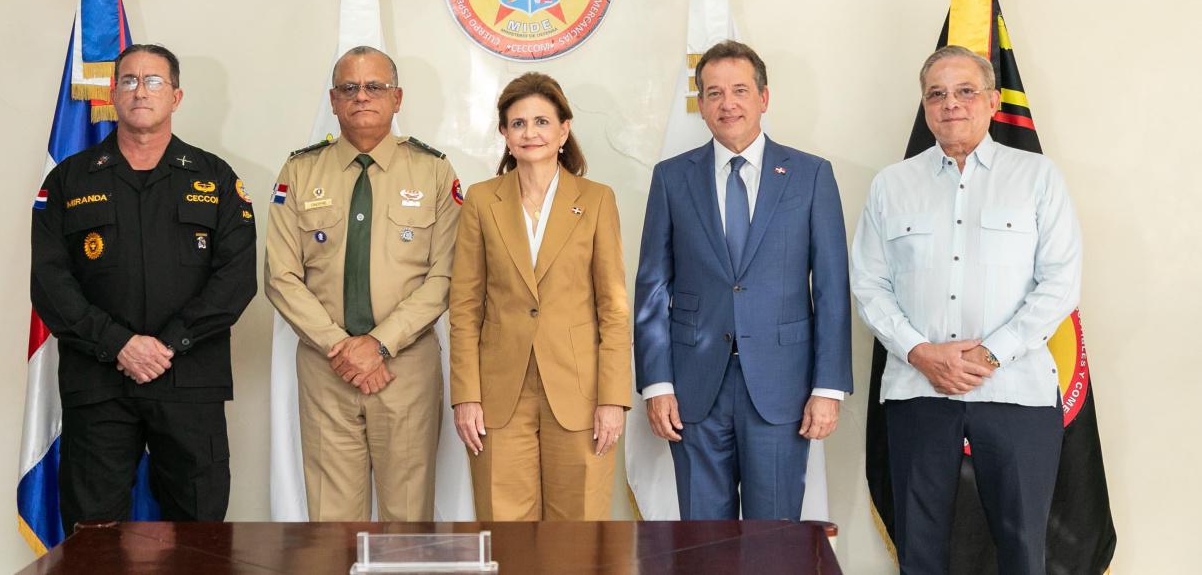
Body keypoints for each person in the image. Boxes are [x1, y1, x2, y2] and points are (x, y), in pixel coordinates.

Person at [851, 45, 1081, 574]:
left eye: (965, 91)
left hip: (1016, 391)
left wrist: (991, 354)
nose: (950, 103)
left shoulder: (1037, 177)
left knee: (1022, 549)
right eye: (937, 94)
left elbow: (1060, 282)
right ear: (925, 106)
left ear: (993, 101)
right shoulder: (892, 184)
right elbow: (868, 284)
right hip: (918, 390)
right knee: (920, 548)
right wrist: (920, 352)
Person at [31, 43, 257, 533]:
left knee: (198, 533)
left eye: (154, 81)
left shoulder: (216, 178)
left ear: (176, 96)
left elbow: (236, 280)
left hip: (189, 380)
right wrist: (119, 344)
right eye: (129, 81)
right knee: (92, 537)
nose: (140, 91)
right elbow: (50, 283)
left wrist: (167, 345)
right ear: (113, 94)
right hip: (99, 382)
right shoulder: (69, 180)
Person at [634, 40, 852, 520]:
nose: (727, 104)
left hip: (782, 387)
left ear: (763, 98)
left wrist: (828, 387)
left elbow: (832, 289)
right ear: (701, 105)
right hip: (693, 389)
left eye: (739, 90)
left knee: (772, 540)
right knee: (703, 540)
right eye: (713, 93)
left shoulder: (810, 175)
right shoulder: (671, 178)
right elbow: (652, 287)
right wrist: (656, 384)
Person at [264, 46, 461, 522]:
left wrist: (379, 344)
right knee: (331, 522)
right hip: (326, 368)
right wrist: (342, 348)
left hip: (405, 367)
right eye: (349, 88)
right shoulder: (300, 170)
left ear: (397, 98)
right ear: (333, 100)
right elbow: (280, 275)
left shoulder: (433, 170)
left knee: (408, 517)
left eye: (375, 87)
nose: (362, 97)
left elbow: (446, 275)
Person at [449, 72, 631, 521]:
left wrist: (613, 398)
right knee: (505, 526)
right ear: (504, 134)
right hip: (498, 393)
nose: (530, 133)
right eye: (518, 123)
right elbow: (465, 307)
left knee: (578, 529)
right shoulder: (481, 200)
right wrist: (465, 395)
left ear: (564, 130)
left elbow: (613, 308)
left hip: (580, 392)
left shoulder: (596, 200)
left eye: (542, 122)